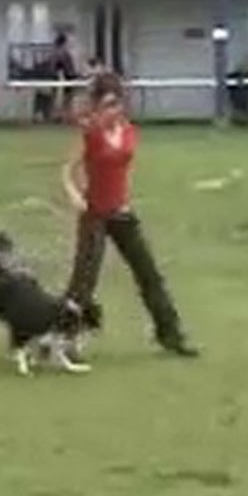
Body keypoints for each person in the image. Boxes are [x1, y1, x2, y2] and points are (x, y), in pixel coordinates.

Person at [61, 72, 199, 360]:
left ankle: (171, 334)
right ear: (97, 106)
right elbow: (67, 171)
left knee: (149, 273)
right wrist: (75, 195)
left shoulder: (128, 132)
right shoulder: (90, 134)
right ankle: (66, 338)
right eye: (108, 105)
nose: (114, 111)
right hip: (95, 213)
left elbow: (124, 169)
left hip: (121, 212)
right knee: (84, 281)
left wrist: (125, 197)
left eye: (117, 104)